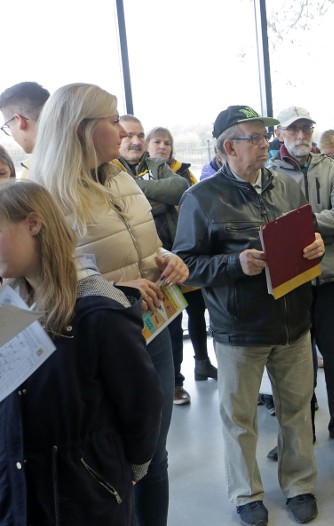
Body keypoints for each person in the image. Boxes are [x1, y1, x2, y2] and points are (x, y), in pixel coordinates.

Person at [28, 83, 189, 526]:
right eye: (114, 119)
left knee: (154, 454)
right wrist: (119, 288)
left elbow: (146, 246)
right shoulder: (45, 192)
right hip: (102, 340)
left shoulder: (121, 176)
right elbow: (49, 274)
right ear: (83, 129)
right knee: (115, 462)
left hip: (153, 327)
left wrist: (168, 260)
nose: (124, 129)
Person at [172, 105, 324, 525]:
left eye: (264, 138)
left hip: (294, 322)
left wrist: (315, 248)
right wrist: (235, 265)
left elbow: (303, 238)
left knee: (296, 410)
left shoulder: (287, 187)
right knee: (240, 420)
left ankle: (299, 485)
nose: (265, 145)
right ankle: (246, 494)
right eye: (254, 139)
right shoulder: (200, 199)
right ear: (227, 147)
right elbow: (185, 265)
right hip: (240, 329)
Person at [0, 180, 164, 525]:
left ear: (33, 224)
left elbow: (142, 402)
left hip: (85, 495)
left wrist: (130, 467)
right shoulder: (12, 310)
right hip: (23, 488)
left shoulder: (98, 313)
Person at [268, 106, 334, 455]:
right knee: (294, 361)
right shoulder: (269, 175)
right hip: (291, 282)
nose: (300, 135)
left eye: (306, 129)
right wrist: (306, 231)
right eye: (293, 130)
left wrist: (298, 229)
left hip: (331, 278)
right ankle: (300, 428)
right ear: (280, 133)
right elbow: (267, 222)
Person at [113, 116, 193, 405]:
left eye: (140, 135)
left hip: (166, 261)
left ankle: (174, 383)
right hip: (128, 271)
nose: (135, 141)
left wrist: (132, 190)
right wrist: (156, 201)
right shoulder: (110, 170)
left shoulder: (156, 165)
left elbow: (178, 188)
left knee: (171, 324)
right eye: (128, 136)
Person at [144, 127, 218, 388]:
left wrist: (161, 198)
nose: (163, 146)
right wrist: (163, 199)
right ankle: (175, 381)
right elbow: (145, 208)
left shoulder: (184, 172)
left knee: (198, 311)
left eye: (167, 142)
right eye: (157, 142)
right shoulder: (134, 174)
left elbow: (192, 200)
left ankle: (202, 363)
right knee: (170, 320)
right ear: (146, 146)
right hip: (158, 260)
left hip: (187, 253)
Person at [0, 81, 50, 179]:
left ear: (19, 121)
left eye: (8, 126)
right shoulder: (83, 153)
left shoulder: (35, 171)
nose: (13, 138)